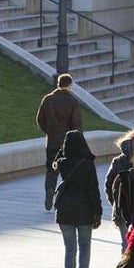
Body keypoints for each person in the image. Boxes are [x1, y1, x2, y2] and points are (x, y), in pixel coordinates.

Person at [52, 129, 102, 268]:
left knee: (70, 248)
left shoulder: (62, 163)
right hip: (84, 210)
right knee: (85, 246)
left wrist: (62, 148)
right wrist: (98, 212)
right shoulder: (87, 164)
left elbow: (54, 161)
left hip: (65, 210)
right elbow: (93, 190)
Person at [36, 73, 83, 211]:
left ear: (58, 84)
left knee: (51, 170)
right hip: (68, 145)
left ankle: (50, 189)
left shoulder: (47, 99)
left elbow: (40, 120)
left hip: (52, 143)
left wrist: (49, 131)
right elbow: (77, 125)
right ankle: (63, 199)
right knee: (68, 173)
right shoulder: (73, 102)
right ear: (69, 85)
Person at [105, 129, 134, 251]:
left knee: (126, 244)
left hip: (122, 210)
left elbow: (109, 185)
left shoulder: (118, 161)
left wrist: (116, 204)